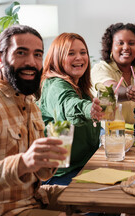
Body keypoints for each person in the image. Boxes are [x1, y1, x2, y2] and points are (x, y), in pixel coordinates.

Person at [0, 25, 75, 215]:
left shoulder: (30, 103)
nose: (31, 62)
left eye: (37, 54)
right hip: (1, 210)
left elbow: (37, 175)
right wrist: (23, 162)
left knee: (96, 197)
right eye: (21, 53)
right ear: (0, 59)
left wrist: (48, 161)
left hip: (34, 198)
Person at [38, 33, 102, 186]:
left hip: (83, 167)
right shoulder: (55, 85)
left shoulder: (79, 86)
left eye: (83, 52)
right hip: (60, 175)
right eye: (71, 53)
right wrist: (89, 109)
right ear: (57, 57)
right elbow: (69, 106)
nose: (79, 57)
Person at [91, 23, 135, 124]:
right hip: (111, 133)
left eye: (131, 43)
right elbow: (111, 88)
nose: (126, 47)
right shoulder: (101, 69)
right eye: (120, 43)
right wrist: (127, 92)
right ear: (110, 47)